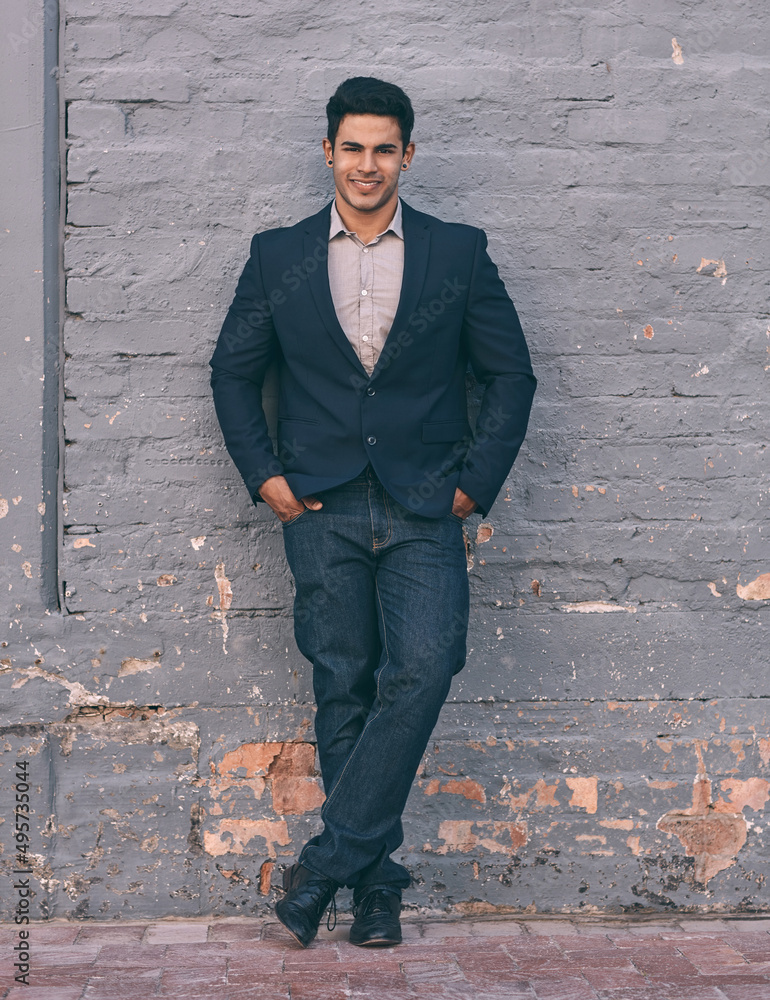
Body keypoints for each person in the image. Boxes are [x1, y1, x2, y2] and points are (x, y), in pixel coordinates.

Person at [209, 76, 536, 948]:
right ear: (328, 153)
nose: (366, 164)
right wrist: (265, 477)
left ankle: (324, 867)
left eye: (383, 148)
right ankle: (377, 889)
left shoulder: (456, 252)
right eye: (351, 147)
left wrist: (476, 481)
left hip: (427, 504)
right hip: (318, 504)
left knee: (425, 663)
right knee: (344, 686)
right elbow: (233, 372)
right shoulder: (278, 255)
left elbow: (511, 374)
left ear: (407, 156)